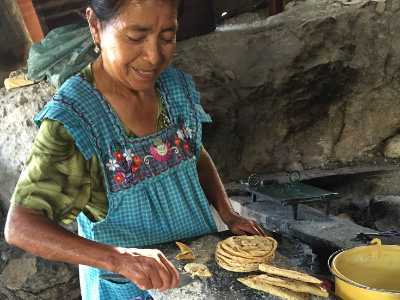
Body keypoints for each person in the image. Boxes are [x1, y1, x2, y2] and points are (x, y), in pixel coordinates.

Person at [4, 0, 265, 299]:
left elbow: (194, 153)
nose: (154, 56)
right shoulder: (76, 120)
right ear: (95, 26)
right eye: (136, 37)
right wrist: (120, 259)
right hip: (130, 289)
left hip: (199, 275)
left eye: (167, 37)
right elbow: (21, 227)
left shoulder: (173, 87)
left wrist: (228, 213)